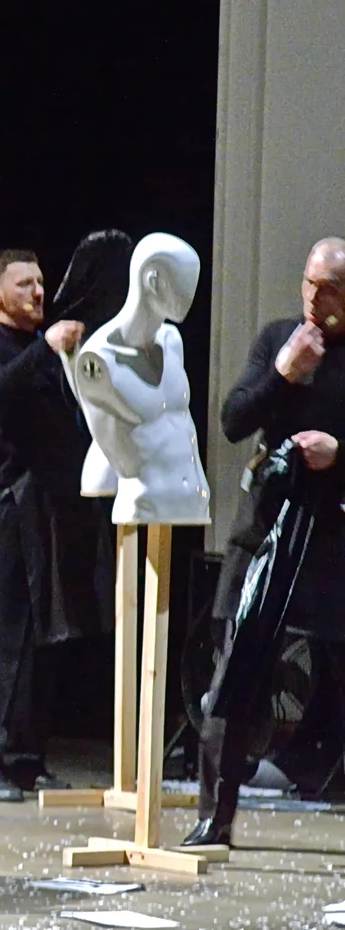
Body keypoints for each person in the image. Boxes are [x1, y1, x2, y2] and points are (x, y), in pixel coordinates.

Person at [187, 238, 345, 847]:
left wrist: (338, 452)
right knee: (235, 676)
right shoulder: (280, 338)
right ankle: (214, 818)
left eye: (327, 289)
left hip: (331, 534)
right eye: (308, 283)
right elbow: (233, 419)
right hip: (266, 531)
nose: (313, 298)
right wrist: (284, 374)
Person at [0, 249, 110, 802]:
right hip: (12, 506)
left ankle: (26, 758)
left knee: (46, 640)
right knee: (1, 640)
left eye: (41, 282)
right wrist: (45, 349)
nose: (38, 292)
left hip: (55, 508)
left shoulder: (49, 351)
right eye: (24, 284)